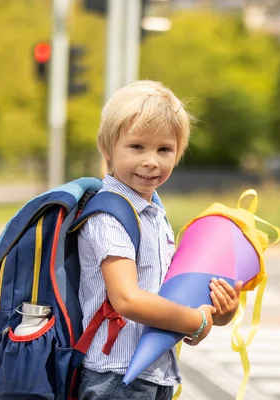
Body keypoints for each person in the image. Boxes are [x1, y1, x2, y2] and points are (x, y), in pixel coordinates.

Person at [77, 80, 243, 400]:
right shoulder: (110, 216)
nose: (151, 160)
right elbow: (127, 300)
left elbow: (170, 298)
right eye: (137, 147)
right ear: (107, 148)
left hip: (154, 373)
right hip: (115, 377)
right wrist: (196, 322)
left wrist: (219, 312)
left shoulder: (154, 214)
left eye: (164, 149)